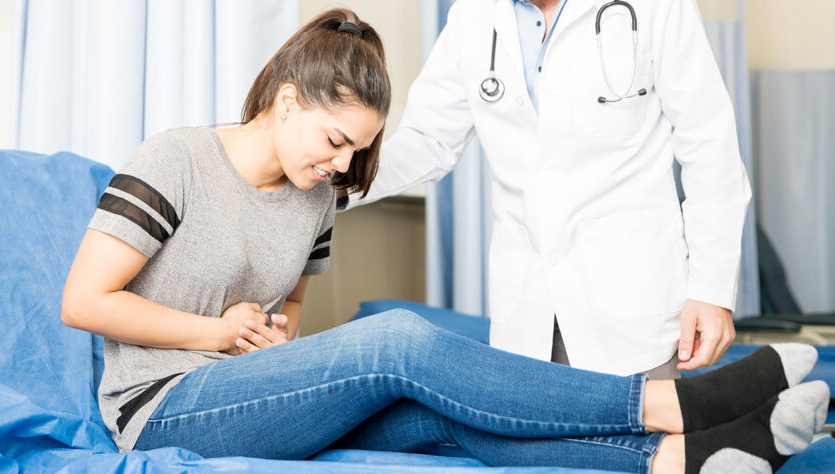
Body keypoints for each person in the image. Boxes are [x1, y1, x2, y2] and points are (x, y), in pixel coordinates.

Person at [61, 8, 826, 474]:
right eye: (335, 144)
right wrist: (219, 332)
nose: (343, 167)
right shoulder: (178, 157)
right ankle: (676, 405)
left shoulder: (317, 197)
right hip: (164, 402)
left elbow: (286, 318)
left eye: (355, 153)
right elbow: (82, 301)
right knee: (395, 340)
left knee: (444, 416)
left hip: (258, 391)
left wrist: (272, 334)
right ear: (288, 102)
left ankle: (676, 458)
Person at [345, 0, 752, 378]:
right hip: (527, 312)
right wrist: (335, 174)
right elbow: (428, 140)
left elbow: (709, 146)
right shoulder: (473, 13)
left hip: (632, 309)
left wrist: (711, 290)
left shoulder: (658, 6)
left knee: (645, 432)